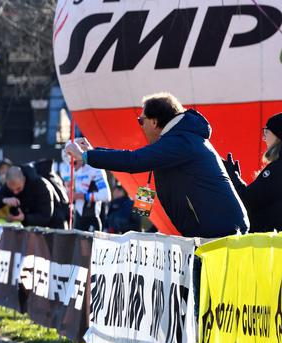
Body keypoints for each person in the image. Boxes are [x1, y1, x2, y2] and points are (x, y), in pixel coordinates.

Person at [67, 92, 248, 239]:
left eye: (141, 121)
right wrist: (93, 152)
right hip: (218, 231)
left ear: (154, 122)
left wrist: (86, 156)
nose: (141, 126)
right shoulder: (181, 137)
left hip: (221, 234)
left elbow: (134, 160)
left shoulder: (179, 141)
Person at [224, 113, 282, 232]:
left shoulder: (276, 169)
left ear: (278, 135)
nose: (264, 138)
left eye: (266, 132)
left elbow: (246, 201)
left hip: (269, 240)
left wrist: (233, 178)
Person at [0, 165, 68, 228]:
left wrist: (24, 218)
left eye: (18, 189)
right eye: (12, 190)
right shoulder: (10, 186)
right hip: (33, 230)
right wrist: (3, 200)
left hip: (55, 227)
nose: (15, 192)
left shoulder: (42, 185)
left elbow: (45, 217)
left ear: (24, 179)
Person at [66, 155, 111, 232]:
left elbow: (106, 196)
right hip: (78, 218)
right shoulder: (77, 171)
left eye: (74, 163)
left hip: (92, 218)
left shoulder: (96, 169)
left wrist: (83, 196)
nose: (72, 166)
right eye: (70, 163)